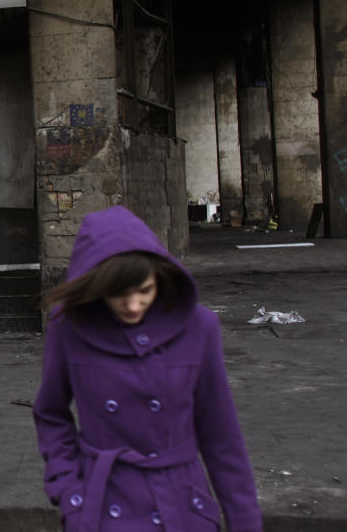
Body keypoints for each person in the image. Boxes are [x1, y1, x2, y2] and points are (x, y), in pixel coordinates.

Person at [32, 206, 262, 531]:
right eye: (118, 294)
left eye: (145, 290)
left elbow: (221, 433)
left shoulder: (199, 326)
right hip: (101, 508)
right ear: (98, 287)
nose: (133, 306)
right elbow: (51, 413)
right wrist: (69, 493)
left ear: (160, 278)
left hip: (181, 507)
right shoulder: (68, 328)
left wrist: (245, 522)